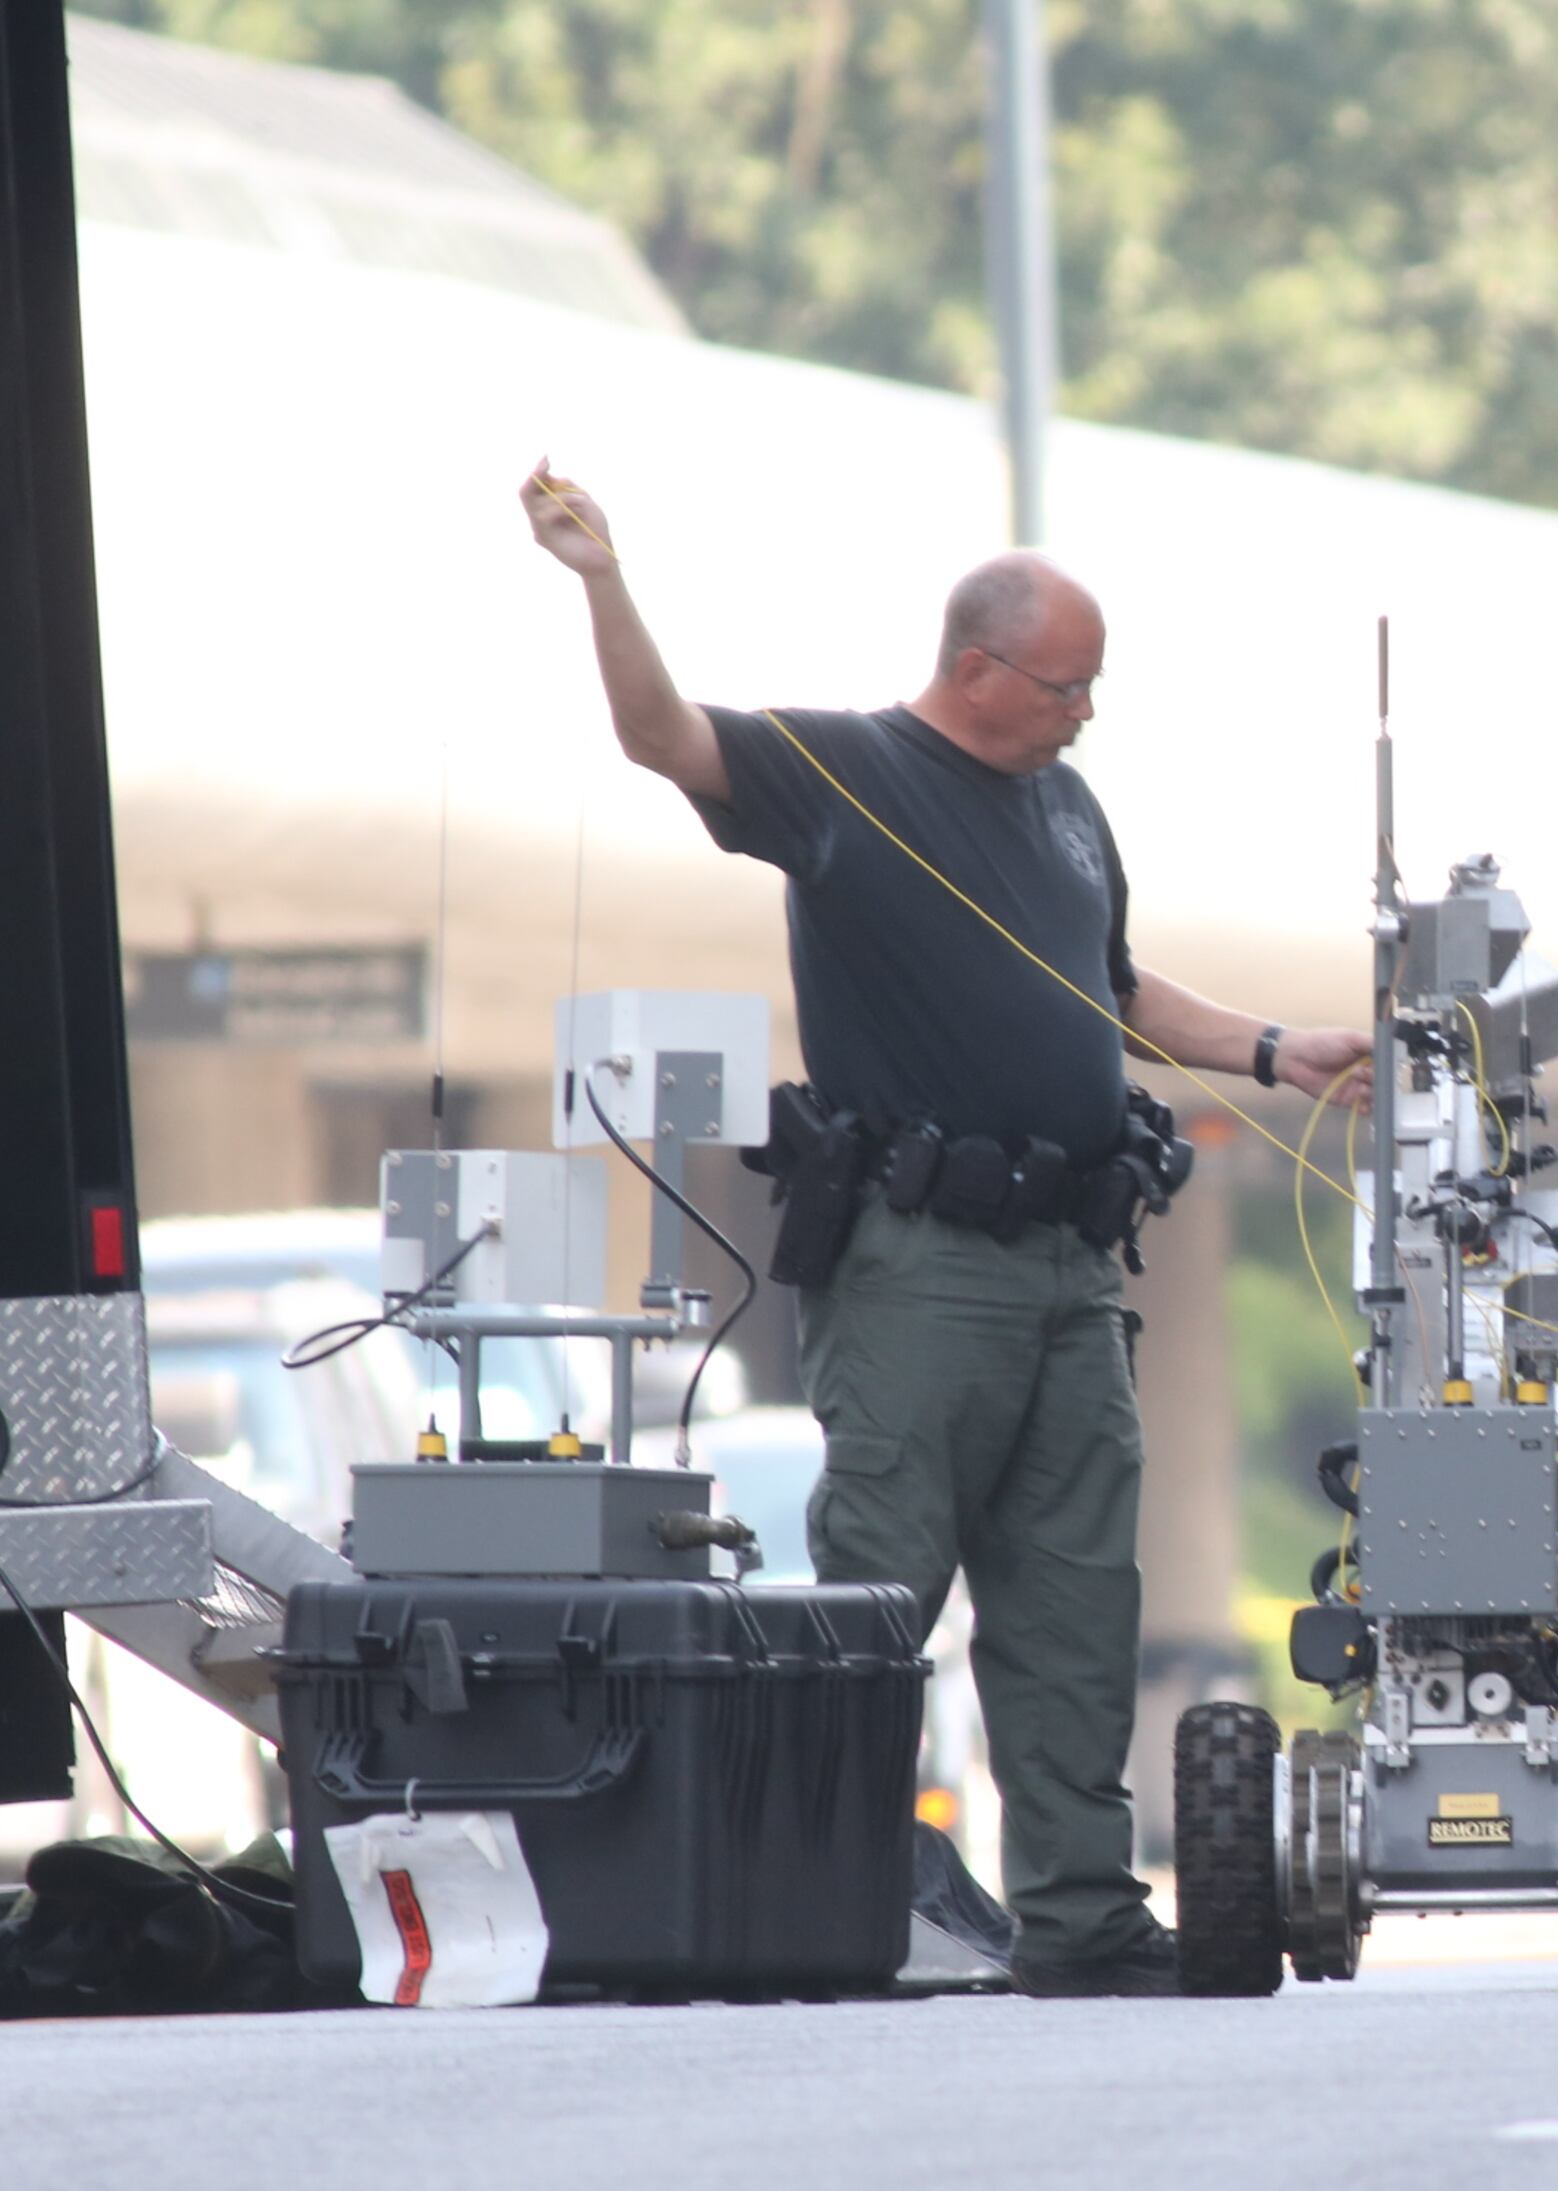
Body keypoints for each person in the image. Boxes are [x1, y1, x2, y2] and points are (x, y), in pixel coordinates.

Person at [523, 462, 1369, 1999]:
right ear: (978, 669)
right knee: (880, 1596)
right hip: (923, 1266)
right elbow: (662, 735)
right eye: (1065, 685)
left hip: (1070, 1263)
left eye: (1094, 685)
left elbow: (1111, 988)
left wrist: (1271, 1048)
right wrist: (601, 581)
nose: (1085, 712)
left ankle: (1083, 1923)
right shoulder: (843, 772)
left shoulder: (1068, 806)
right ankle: (815, 1905)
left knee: (1075, 1604)